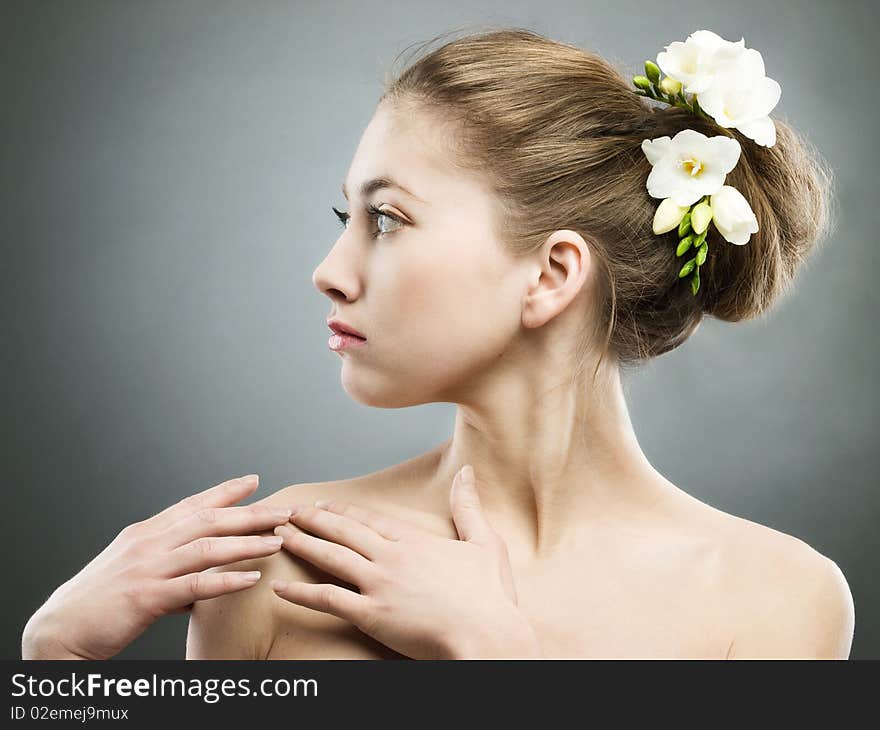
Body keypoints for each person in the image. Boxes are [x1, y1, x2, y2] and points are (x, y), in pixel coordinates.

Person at [24, 27, 855, 660]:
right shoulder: (283, 563)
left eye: (387, 219)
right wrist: (53, 661)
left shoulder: (781, 600)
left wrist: (500, 658)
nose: (328, 271)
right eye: (347, 218)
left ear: (551, 274)